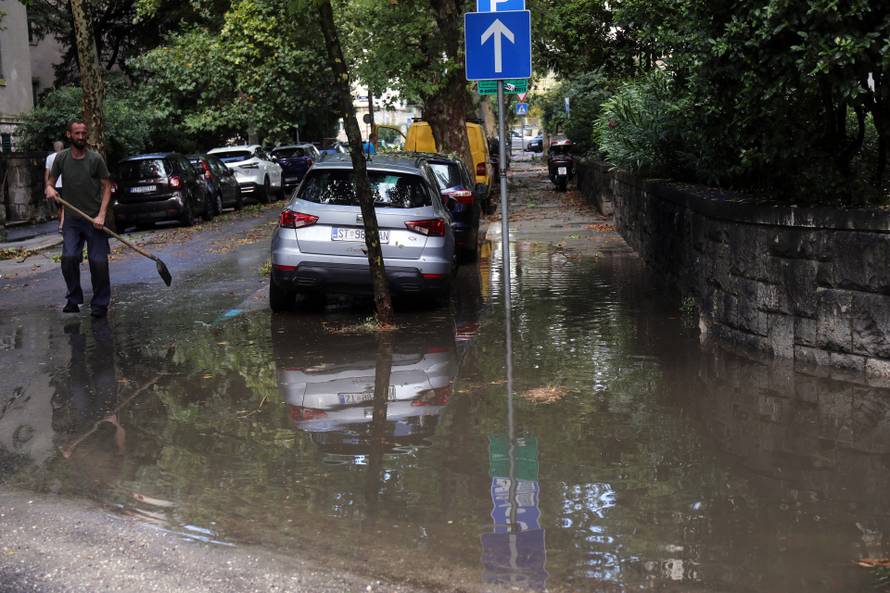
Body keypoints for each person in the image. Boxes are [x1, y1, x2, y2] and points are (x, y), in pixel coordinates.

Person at [45, 120, 112, 318]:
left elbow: (107, 186)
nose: (81, 137)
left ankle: (100, 303)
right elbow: (50, 183)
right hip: (72, 220)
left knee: (98, 262)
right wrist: (49, 189)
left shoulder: (95, 159)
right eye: (77, 133)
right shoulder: (61, 159)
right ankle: (73, 298)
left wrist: (101, 215)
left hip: (94, 219)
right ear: (69, 135)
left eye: (84, 133)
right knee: (69, 258)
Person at [44, 140, 65, 232]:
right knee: (65, 207)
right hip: (64, 185)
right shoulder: (65, 156)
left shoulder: (49, 157)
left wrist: (47, 186)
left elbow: (46, 174)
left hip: (54, 186)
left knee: (59, 207)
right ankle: (61, 225)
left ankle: (61, 224)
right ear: (62, 147)